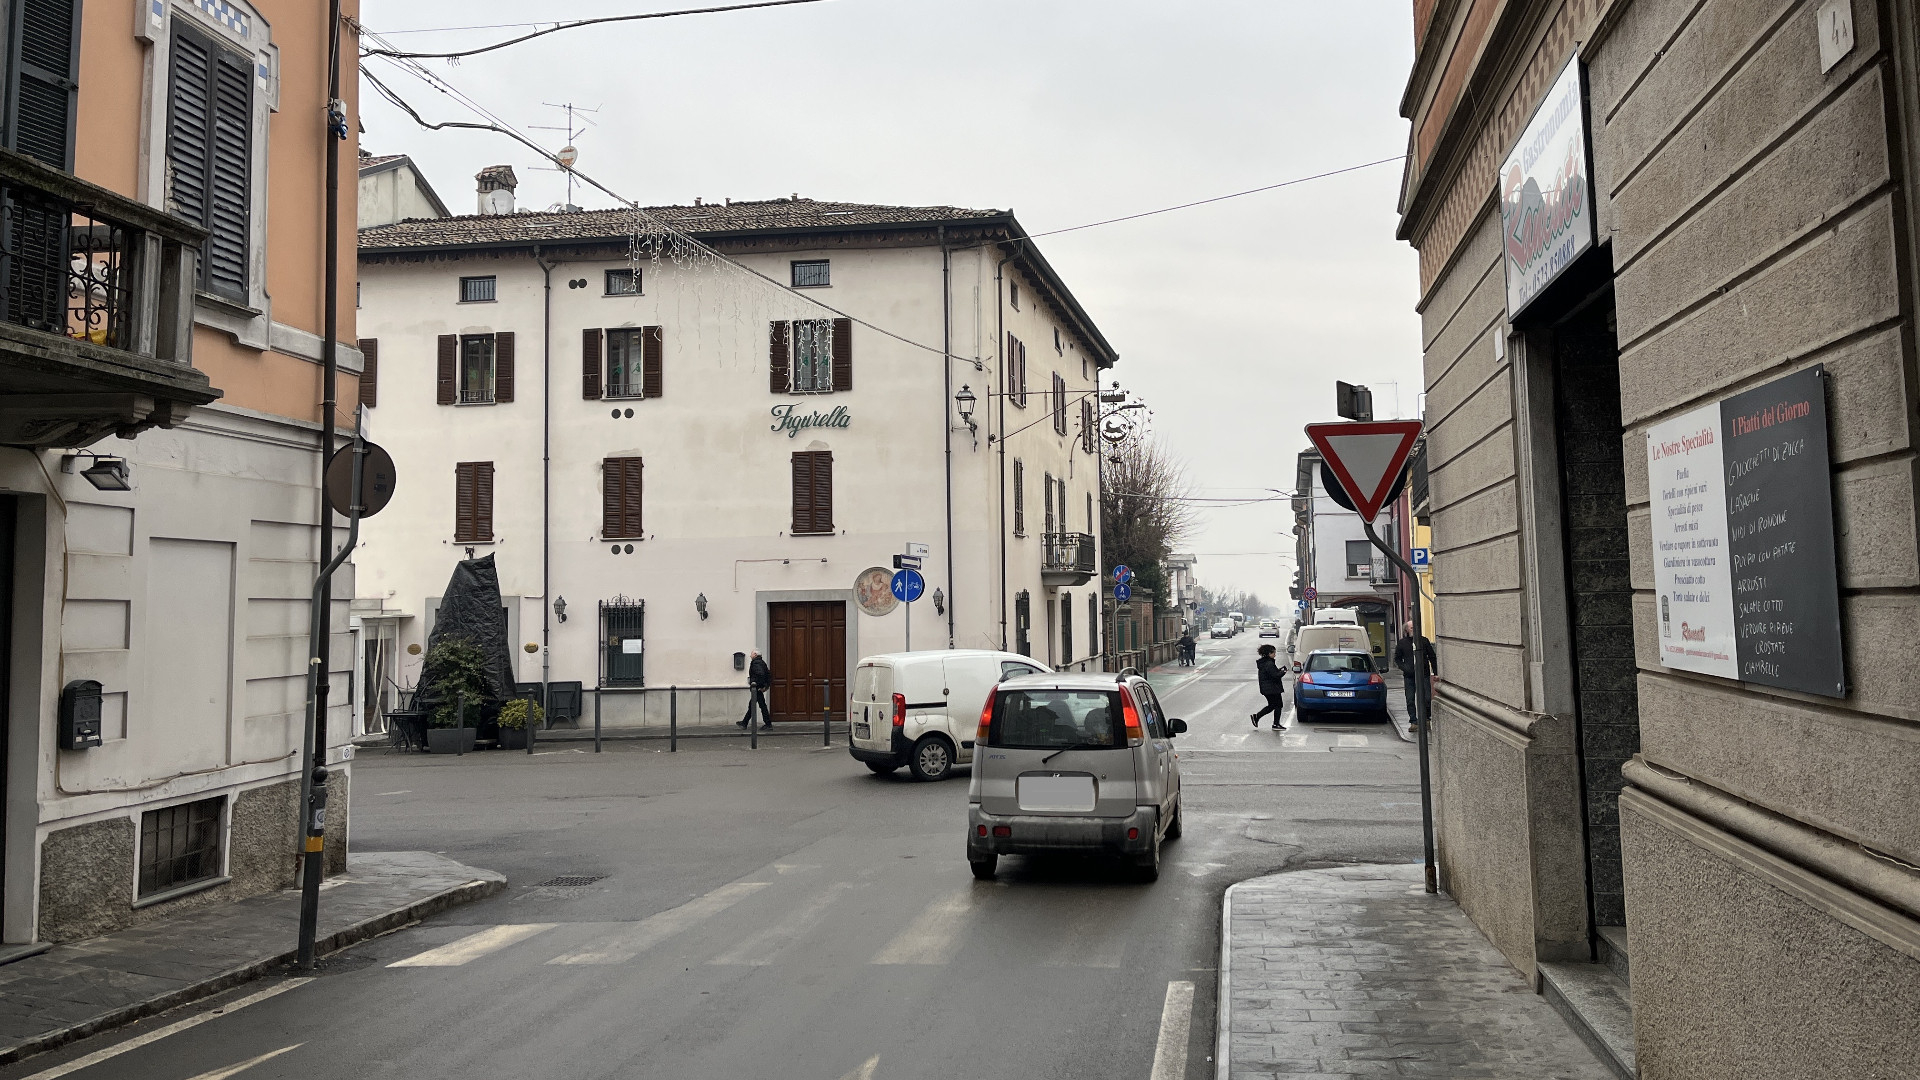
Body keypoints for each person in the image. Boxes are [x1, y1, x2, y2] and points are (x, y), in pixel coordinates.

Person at [1393, 621, 1439, 727]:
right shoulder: (1402, 643)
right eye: (1412, 628)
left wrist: (1436, 672)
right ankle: (1413, 721)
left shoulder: (1424, 641)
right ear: (1407, 630)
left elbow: (1432, 657)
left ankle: (1426, 718)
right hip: (1409, 676)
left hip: (1424, 674)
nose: (1414, 629)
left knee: (1427, 698)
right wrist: (1405, 668)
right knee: (1410, 699)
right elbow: (1397, 659)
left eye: (1416, 627)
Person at [1250, 643, 1286, 728]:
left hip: (1267, 688)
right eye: (1274, 653)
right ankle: (1275, 723)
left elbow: (1271, 673)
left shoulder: (1264, 662)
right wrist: (1283, 672)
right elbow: (1275, 676)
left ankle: (1257, 717)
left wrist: (1279, 670)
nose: (1275, 654)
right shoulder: (1269, 663)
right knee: (1278, 705)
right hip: (1272, 688)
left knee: (1272, 705)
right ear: (1269, 654)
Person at [737, 650, 772, 729]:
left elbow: (761, 674)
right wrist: (766, 686)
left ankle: (768, 724)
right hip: (758, 687)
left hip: (756, 688)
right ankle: (744, 723)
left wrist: (759, 685)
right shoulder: (761, 662)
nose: (750, 656)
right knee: (755, 705)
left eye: (751, 654)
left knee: (758, 705)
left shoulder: (756, 663)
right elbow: (768, 674)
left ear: (755, 654)